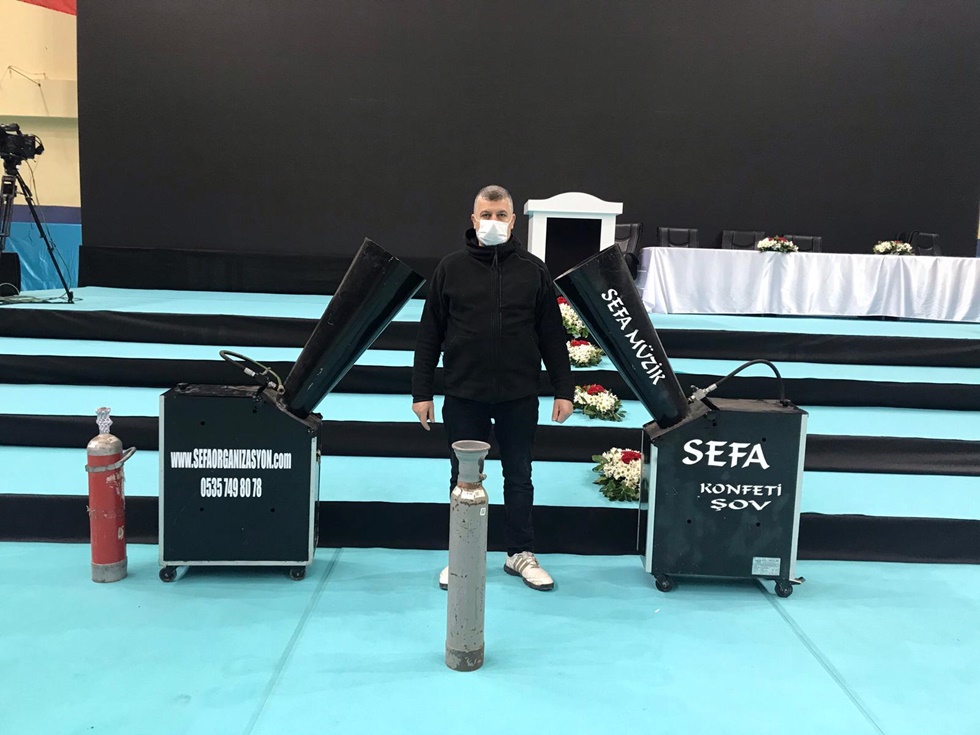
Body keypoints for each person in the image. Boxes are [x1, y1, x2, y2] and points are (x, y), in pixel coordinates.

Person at [412, 185, 575, 591]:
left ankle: (519, 552)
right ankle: (462, 554)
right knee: (462, 477)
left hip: (519, 394)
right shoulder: (449, 269)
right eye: (486, 214)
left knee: (519, 475)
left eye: (501, 215)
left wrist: (564, 389)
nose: (493, 221)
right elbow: (429, 334)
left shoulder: (534, 270)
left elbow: (552, 335)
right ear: (473, 220)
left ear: (513, 221)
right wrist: (421, 392)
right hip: (464, 393)